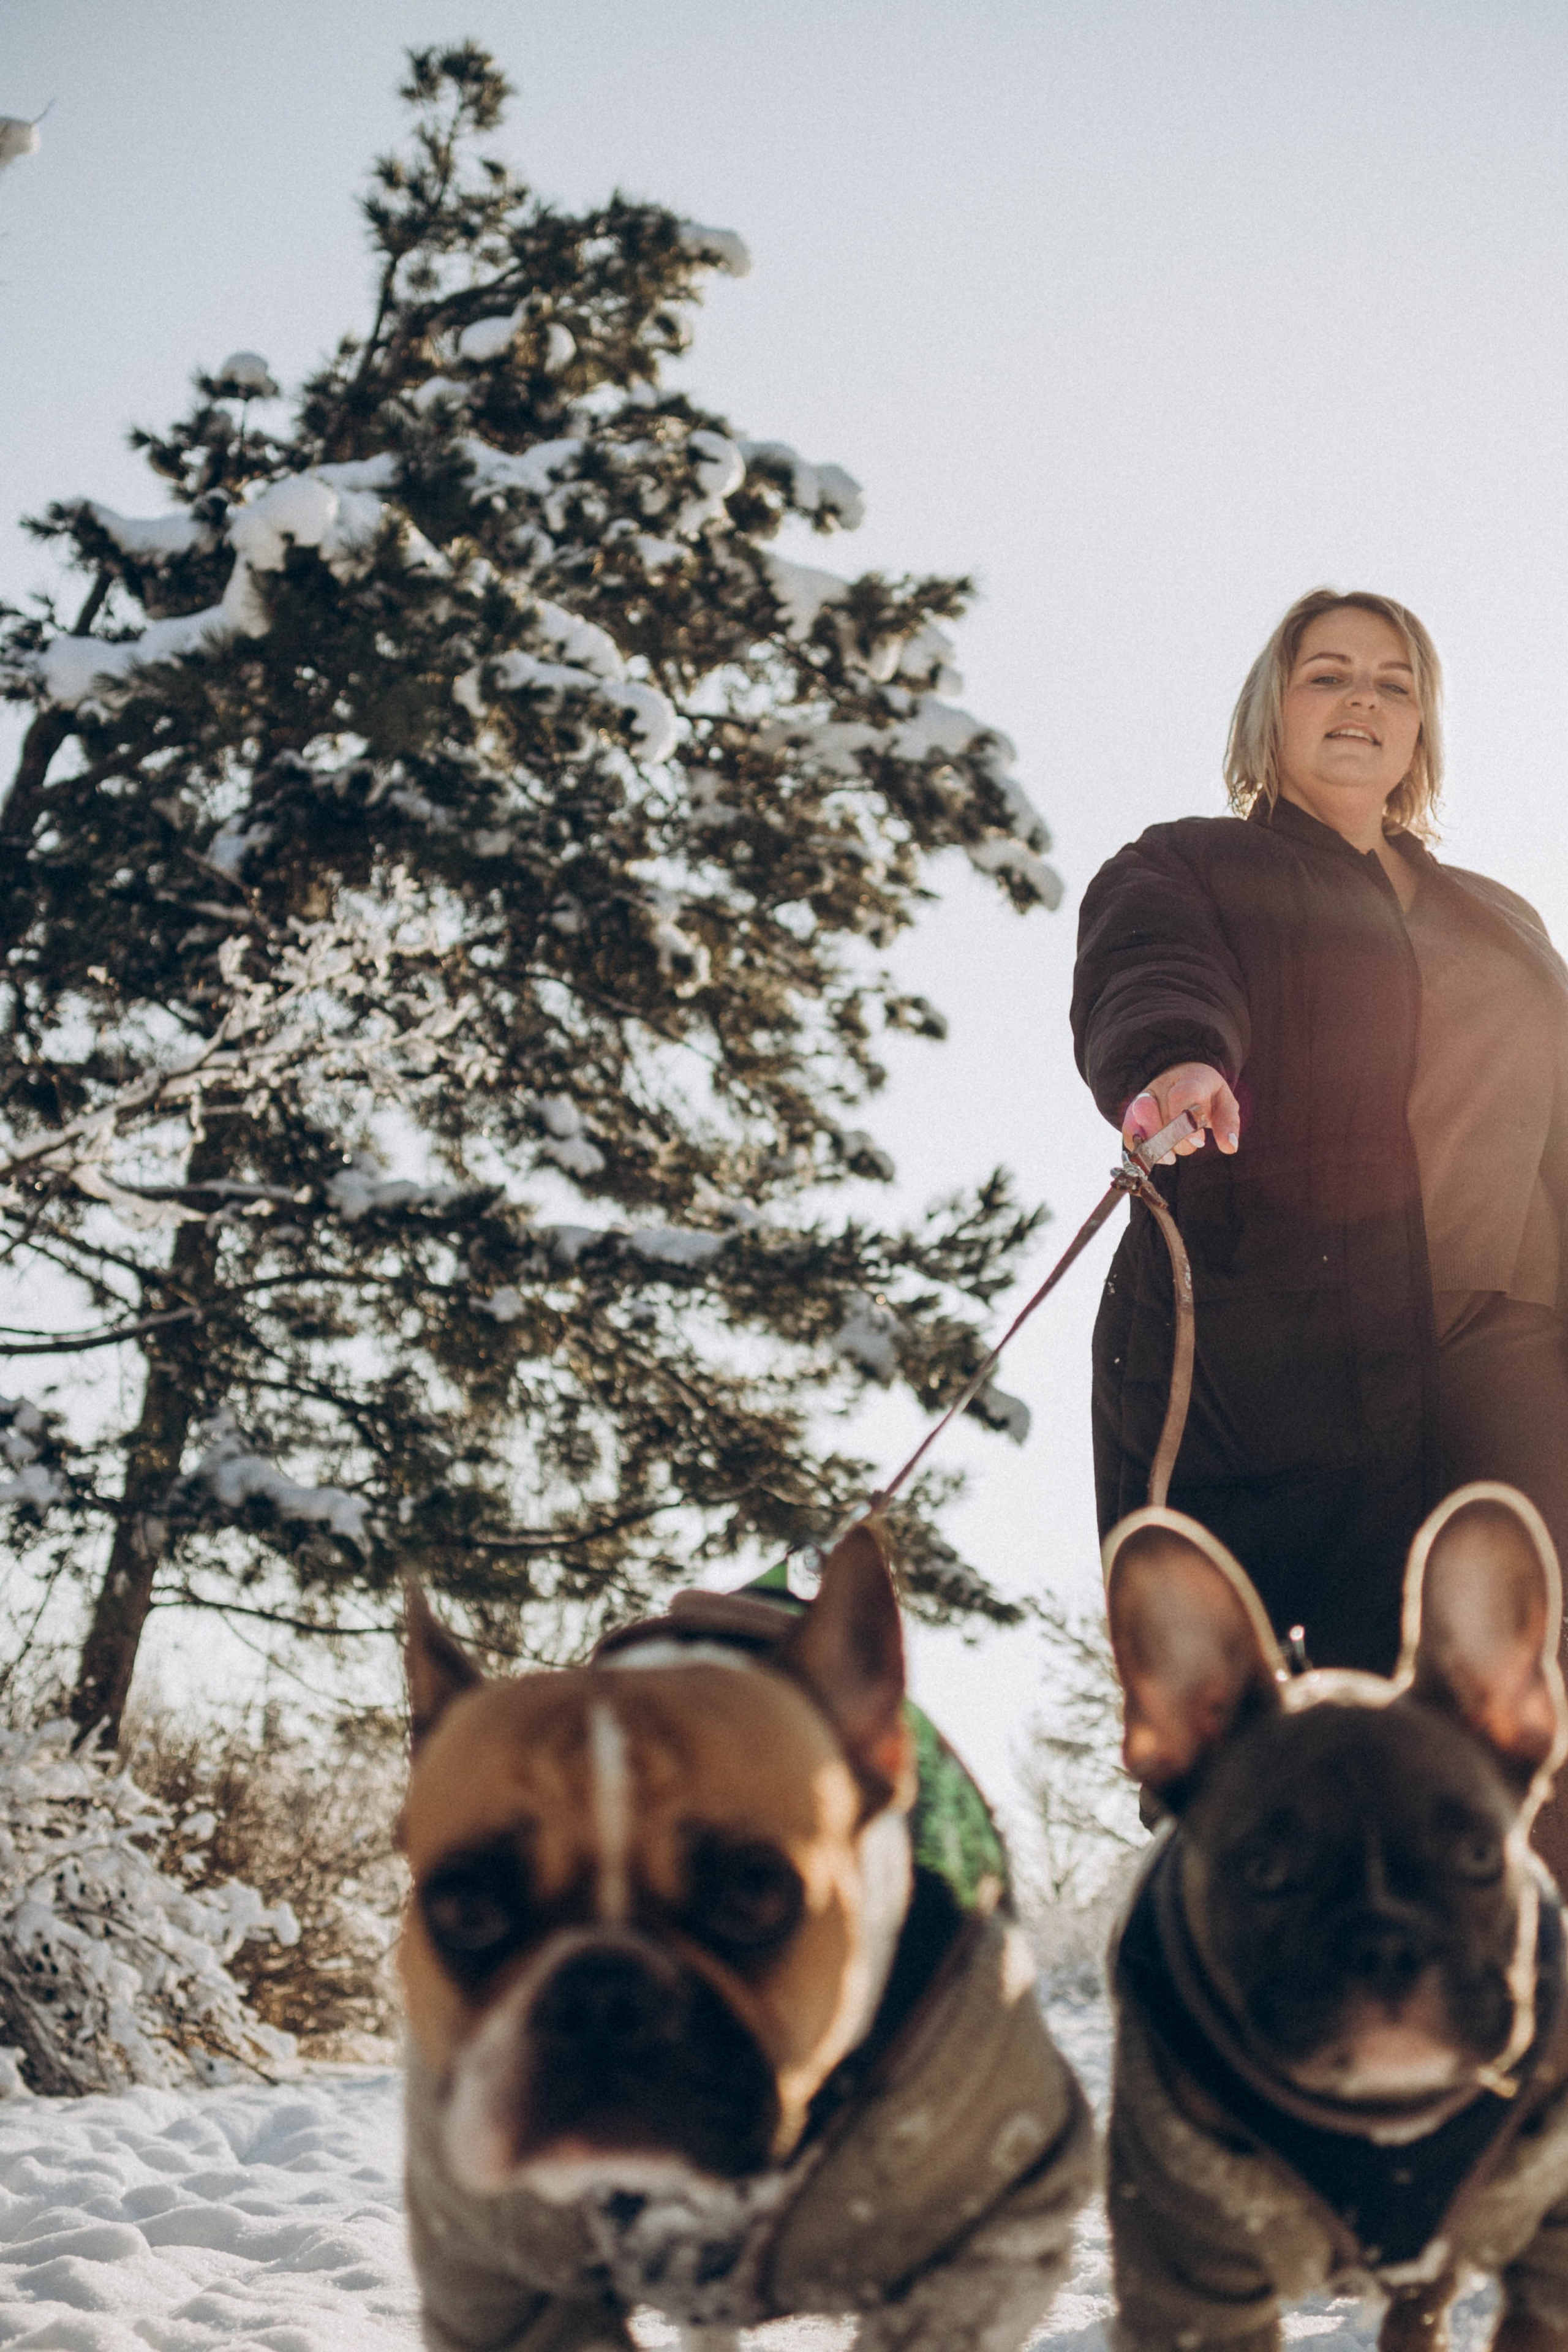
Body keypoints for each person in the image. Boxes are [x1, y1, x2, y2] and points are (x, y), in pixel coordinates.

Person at [1072, 587, 1568, 1708]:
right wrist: (1176, 1058)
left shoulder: (1497, 915)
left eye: (1396, 684)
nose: (1363, 700)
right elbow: (1151, 966)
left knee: (1527, 1674)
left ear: (1422, 726)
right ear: (1274, 710)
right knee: (1316, 1690)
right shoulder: (1192, 864)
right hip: (1296, 1332)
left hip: (1514, 1328)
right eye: (1329, 674)